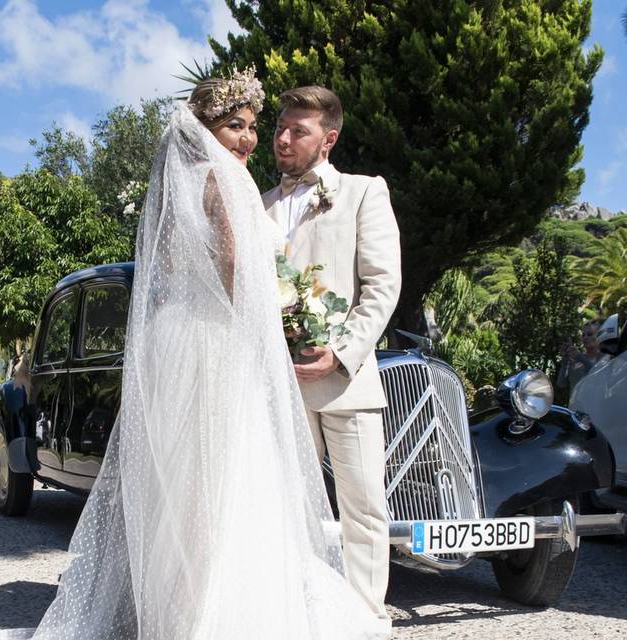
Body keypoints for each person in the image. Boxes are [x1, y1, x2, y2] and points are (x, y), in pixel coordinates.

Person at [25, 70, 385, 639]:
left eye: (253, 127)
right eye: (235, 126)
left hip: (193, 347)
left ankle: (175, 612)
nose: (251, 139)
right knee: (226, 487)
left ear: (327, 139)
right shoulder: (233, 185)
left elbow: (379, 287)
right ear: (204, 128)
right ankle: (215, 614)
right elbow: (239, 277)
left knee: (197, 489)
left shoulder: (188, 185)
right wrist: (281, 316)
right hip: (220, 351)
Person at [262, 85, 402, 635]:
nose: (283, 138)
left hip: (346, 382)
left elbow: (382, 287)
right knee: (285, 507)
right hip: (277, 383)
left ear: (329, 139)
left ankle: (367, 619)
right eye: (281, 128)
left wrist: (340, 355)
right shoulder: (261, 204)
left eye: (298, 130)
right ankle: (294, 610)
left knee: (364, 506)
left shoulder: (365, 192)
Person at [557, 320, 609, 397]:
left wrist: (580, 357)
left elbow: (598, 377)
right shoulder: (576, 359)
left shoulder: (606, 357)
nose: (585, 337)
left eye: (589, 334)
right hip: (575, 408)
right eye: (583, 335)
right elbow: (561, 384)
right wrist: (565, 360)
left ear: (599, 335)